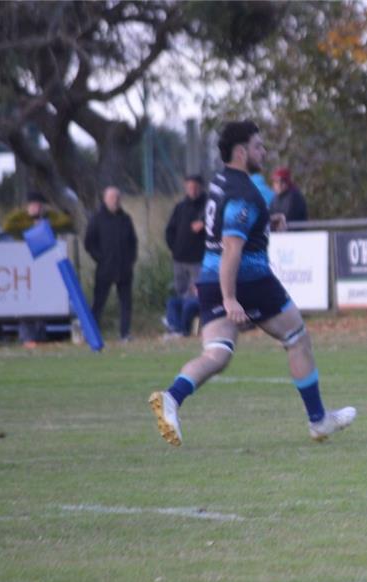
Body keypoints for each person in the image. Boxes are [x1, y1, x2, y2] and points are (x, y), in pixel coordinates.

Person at [149, 120, 356, 447]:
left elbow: (227, 229)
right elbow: (232, 246)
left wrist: (265, 224)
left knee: (217, 353)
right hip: (248, 279)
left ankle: (172, 397)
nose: (264, 151)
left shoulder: (221, 182)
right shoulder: (244, 192)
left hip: (210, 278)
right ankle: (318, 421)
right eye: (259, 146)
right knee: (297, 337)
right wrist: (231, 299)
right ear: (242, 152)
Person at [2, 191, 75, 346]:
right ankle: (27, 337)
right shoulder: (21, 218)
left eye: (39, 205)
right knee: (26, 301)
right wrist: (29, 219)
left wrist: (45, 220)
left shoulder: (49, 218)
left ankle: (40, 336)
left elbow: (66, 222)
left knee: (42, 302)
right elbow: (7, 226)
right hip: (24, 267)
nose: (36, 207)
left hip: (44, 268)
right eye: (33, 205)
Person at [84, 186, 138, 341]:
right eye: (112, 198)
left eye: (117, 198)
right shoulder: (97, 219)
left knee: (126, 303)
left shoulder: (126, 219)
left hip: (125, 269)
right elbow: (89, 243)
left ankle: (125, 333)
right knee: (99, 302)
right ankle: (92, 334)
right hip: (105, 269)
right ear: (105, 199)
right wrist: (100, 258)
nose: (115, 201)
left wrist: (131, 259)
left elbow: (133, 241)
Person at [163, 175, 208, 337]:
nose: (192, 190)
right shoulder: (180, 207)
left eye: (195, 187)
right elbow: (170, 230)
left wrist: (204, 225)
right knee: (180, 293)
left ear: (201, 187)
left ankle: (184, 328)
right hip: (180, 260)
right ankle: (175, 327)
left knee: (196, 296)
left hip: (198, 261)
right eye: (189, 187)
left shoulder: (207, 206)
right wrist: (174, 248)